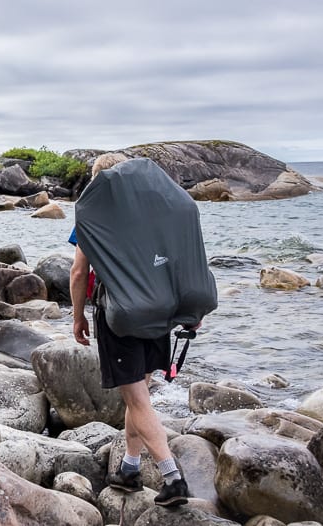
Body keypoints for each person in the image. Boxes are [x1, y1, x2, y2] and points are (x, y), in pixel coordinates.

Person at [69, 152, 195, 507]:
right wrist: (190, 309)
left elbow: (79, 272)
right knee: (139, 391)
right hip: (158, 313)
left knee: (136, 398)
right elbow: (178, 262)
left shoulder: (95, 215)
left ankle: (173, 478)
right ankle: (129, 468)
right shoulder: (157, 213)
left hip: (119, 315)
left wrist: (77, 316)